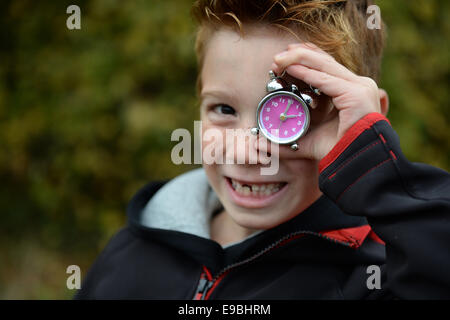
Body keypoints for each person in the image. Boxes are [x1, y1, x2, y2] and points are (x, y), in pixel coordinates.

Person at [75, 0, 450, 299]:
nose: (247, 152)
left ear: (365, 123)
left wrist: (378, 171)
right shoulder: (133, 251)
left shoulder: (373, 277)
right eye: (223, 109)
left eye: (293, 115)